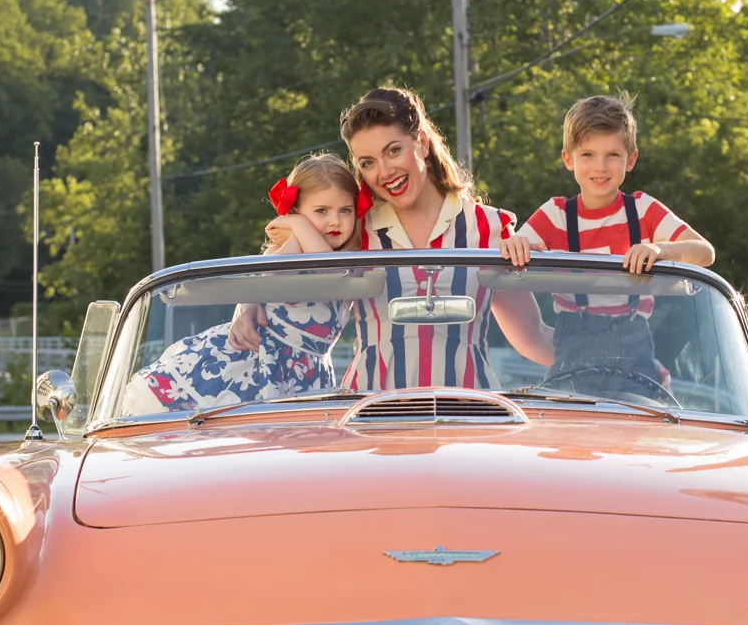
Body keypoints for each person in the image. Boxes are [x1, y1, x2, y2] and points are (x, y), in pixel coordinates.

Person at [234, 87, 554, 390]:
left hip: (468, 418)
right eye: (368, 163)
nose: (385, 171)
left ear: (423, 144)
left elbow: (534, 338)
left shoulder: (489, 226)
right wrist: (247, 303)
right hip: (370, 419)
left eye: (394, 150)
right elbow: (283, 264)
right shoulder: (355, 227)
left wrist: (599, 359)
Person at [498, 93, 715, 399]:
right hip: (569, 371)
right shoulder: (556, 215)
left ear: (631, 159)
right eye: (588, 155)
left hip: (635, 372)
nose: (600, 166)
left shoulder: (642, 210)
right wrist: (517, 244)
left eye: (612, 154)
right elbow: (512, 253)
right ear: (568, 158)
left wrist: (660, 250)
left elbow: (704, 253)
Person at [127, 155, 365, 413]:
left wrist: (297, 224)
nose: (335, 221)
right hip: (259, 361)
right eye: (321, 211)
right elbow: (308, 271)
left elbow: (333, 269)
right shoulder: (288, 250)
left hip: (307, 369)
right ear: (296, 211)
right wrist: (298, 228)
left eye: (345, 210)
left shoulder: (349, 259)